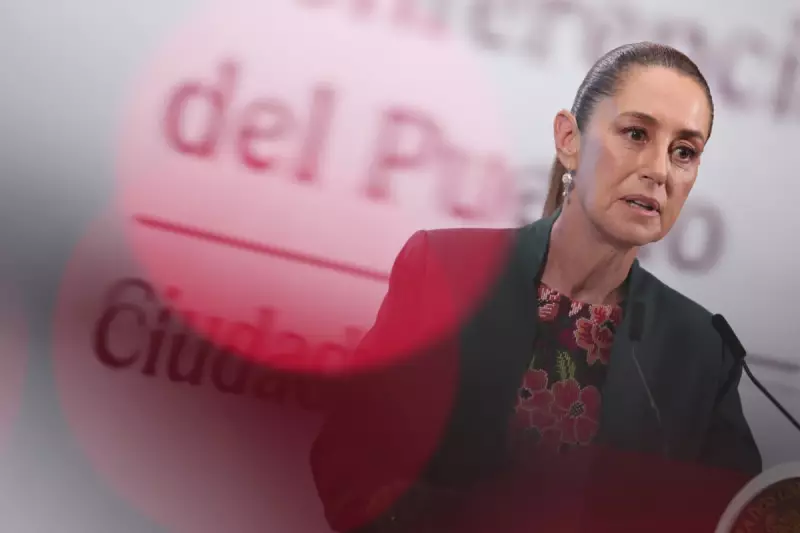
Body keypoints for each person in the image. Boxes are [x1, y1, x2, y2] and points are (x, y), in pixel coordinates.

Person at [309, 42, 762, 533]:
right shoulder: (443, 270)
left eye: (684, 152)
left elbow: (740, 516)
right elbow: (349, 460)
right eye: (636, 134)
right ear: (569, 139)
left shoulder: (701, 350)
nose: (659, 170)